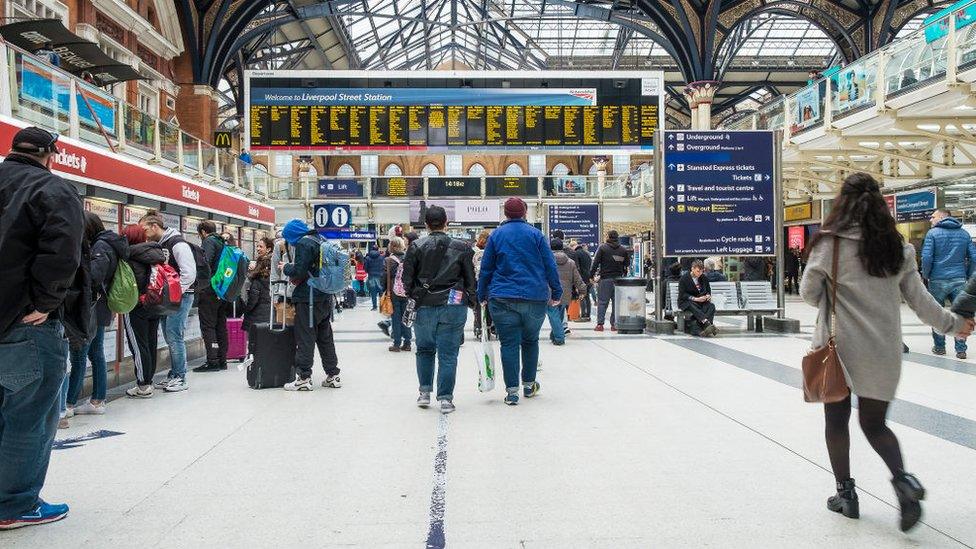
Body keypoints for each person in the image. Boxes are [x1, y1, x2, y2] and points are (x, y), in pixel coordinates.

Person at [801, 173, 975, 533]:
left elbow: (808, 293)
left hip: (839, 350)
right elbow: (921, 302)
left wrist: (833, 298)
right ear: (880, 205)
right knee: (874, 423)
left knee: (836, 421)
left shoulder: (829, 245)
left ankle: (845, 495)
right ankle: (904, 482)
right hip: (882, 352)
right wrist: (953, 325)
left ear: (842, 203)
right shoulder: (898, 248)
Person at [0, 126, 82, 530]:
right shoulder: (52, 190)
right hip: (25, 322)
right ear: (52, 153)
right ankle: (15, 504)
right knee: (29, 414)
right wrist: (46, 302)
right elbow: (62, 251)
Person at [478, 198, 561, 405]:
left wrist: (481, 295)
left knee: (509, 344)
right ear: (525, 212)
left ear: (505, 214)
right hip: (534, 297)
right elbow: (550, 265)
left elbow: (486, 269)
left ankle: (512, 391)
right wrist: (557, 292)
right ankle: (529, 385)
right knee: (531, 341)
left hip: (502, 297)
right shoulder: (536, 235)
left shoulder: (496, 235)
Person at [402, 206, 476, 413]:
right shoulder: (463, 247)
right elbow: (471, 280)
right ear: (447, 223)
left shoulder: (416, 246)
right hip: (454, 304)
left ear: (425, 224)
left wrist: (414, 296)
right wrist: (472, 302)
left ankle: (424, 393)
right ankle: (445, 399)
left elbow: (406, 280)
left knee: (424, 349)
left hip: (424, 304)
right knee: (449, 353)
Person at [65, 213, 128, 417]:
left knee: (79, 355)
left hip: (90, 308)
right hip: (99, 307)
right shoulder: (109, 243)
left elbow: (93, 277)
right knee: (95, 353)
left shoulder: (100, 247)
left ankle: (69, 403)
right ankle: (97, 400)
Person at [280, 219, 341, 391]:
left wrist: (285, 267)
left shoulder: (304, 244)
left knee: (305, 337)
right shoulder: (320, 239)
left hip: (309, 298)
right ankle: (333, 375)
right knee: (325, 337)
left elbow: (299, 270)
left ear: (292, 234)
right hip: (324, 295)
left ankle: (304, 378)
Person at [141, 211, 197, 391]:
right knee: (168, 335)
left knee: (174, 335)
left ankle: (180, 377)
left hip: (181, 296)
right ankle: (174, 374)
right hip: (169, 298)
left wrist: (175, 292)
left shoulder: (177, 243)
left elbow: (189, 272)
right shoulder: (161, 243)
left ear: (154, 226)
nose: (143, 233)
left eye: (145, 229)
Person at [920, 208, 976, 359]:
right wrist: (968, 275)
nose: (931, 220)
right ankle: (961, 349)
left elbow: (926, 258)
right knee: (962, 314)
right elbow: (974, 258)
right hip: (959, 279)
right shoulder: (964, 234)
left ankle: (939, 347)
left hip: (937, 279)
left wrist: (926, 275)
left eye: (933, 217)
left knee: (937, 314)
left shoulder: (932, 234)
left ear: (942, 218)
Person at [121, 224, 167, 398]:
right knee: (150, 343)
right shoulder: (154, 253)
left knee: (138, 346)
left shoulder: (130, 256)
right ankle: (148, 381)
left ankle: (143, 384)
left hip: (136, 306)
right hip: (154, 304)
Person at [193, 222, 229, 372]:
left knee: (208, 325)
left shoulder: (208, 241)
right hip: (221, 289)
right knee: (220, 324)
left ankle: (212, 361)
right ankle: (222, 359)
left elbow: (204, 263)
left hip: (209, 289)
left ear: (202, 232)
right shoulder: (221, 242)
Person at [590, 230, 631, 331]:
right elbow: (627, 264)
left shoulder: (603, 248)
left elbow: (595, 263)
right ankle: (614, 325)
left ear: (608, 236)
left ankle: (600, 325)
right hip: (618, 280)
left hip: (605, 279)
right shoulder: (623, 250)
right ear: (617, 237)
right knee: (617, 302)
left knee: (602, 302)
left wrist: (591, 276)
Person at [547, 239, 585, 346]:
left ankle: (559, 338)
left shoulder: (547, 261)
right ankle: (554, 335)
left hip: (551, 292)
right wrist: (582, 289)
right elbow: (577, 278)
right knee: (558, 314)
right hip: (566, 293)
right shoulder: (570, 262)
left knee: (553, 315)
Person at [243, 237, 273, 344]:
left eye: (261, 246)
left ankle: (257, 360)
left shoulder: (262, 268)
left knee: (256, 343)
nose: (258, 249)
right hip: (269, 311)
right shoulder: (272, 264)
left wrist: (246, 310)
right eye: (257, 246)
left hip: (258, 313)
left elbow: (253, 297)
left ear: (268, 249)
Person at [385, 236, 412, 352]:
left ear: (391, 247)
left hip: (394, 293)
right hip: (407, 292)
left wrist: (385, 291)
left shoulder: (389, 260)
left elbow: (384, 278)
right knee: (406, 317)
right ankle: (407, 343)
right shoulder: (409, 258)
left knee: (396, 318)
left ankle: (396, 343)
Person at [678, 259, 718, 337]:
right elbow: (683, 295)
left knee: (711, 306)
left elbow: (708, 290)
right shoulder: (684, 278)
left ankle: (699, 329)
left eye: (701, 271)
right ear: (692, 268)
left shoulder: (703, 277)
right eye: (698, 271)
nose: (700, 273)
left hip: (701, 301)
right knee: (692, 306)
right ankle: (707, 323)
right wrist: (695, 299)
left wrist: (708, 295)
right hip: (687, 301)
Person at [472, 229, 492, 339]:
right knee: (488, 306)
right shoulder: (491, 251)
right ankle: (489, 327)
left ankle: (480, 326)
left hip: (477, 282)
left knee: (479, 307)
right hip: (490, 282)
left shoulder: (474, 251)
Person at [572, 240, 593, 321]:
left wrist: (577, 280)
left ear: (574, 247)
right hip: (588, 277)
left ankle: (583, 315)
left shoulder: (576, 253)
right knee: (587, 296)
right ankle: (588, 315)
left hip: (582, 278)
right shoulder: (586, 253)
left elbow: (577, 268)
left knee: (582, 296)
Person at [364, 244, 386, 311]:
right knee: (381, 292)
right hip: (380, 277)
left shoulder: (367, 258)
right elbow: (384, 266)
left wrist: (369, 271)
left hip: (371, 276)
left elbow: (365, 268)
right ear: (378, 249)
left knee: (373, 292)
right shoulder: (382, 257)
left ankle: (374, 307)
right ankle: (381, 307)